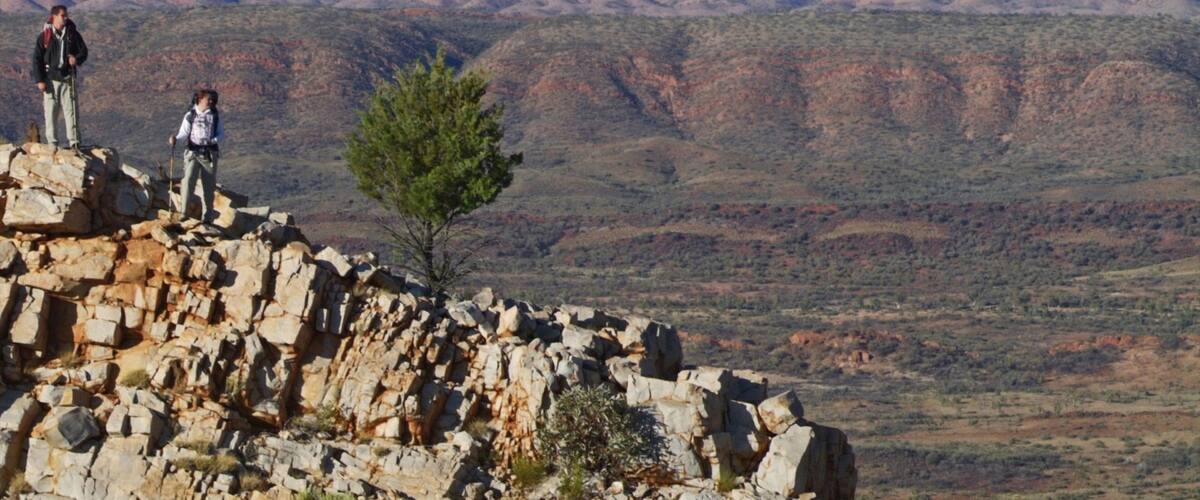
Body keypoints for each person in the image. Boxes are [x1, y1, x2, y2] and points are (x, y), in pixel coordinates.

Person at [31, 5, 87, 150]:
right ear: (54, 16)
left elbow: (84, 52)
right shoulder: (45, 36)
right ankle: (52, 142)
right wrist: (40, 80)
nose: (65, 17)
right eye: (63, 15)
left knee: (71, 111)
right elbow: (37, 59)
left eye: (66, 15)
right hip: (50, 79)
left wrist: (76, 59)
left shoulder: (72, 34)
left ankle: (74, 142)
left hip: (68, 77)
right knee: (51, 111)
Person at [169, 90, 224, 223]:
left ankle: (208, 216)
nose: (211, 102)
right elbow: (184, 133)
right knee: (187, 181)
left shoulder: (215, 116)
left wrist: (212, 141)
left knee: (209, 185)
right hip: (193, 152)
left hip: (209, 153)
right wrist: (175, 138)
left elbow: (221, 134)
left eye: (212, 100)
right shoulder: (190, 115)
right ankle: (184, 212)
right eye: (208, 99)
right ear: (200, 99)